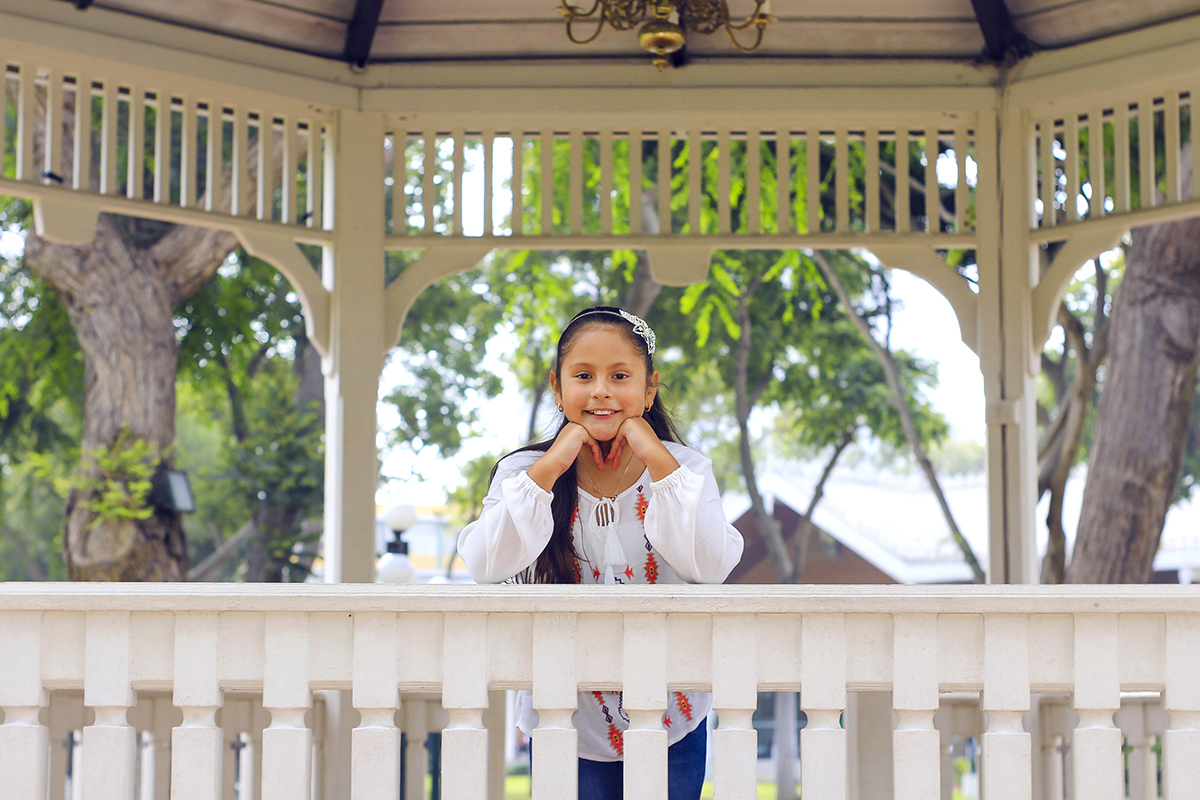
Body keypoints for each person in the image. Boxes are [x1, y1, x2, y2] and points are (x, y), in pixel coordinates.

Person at [458, 305, 744, 800]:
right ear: (557, 385)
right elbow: (486, 563)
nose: (601, 390)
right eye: (583, 375)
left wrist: (657, 457)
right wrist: (551, 467)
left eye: (619, 375)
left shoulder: (687, 470)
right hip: (563, 714)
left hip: (672, 712)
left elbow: (712, 564)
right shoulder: (522, 473)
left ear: (649, 388)